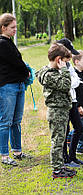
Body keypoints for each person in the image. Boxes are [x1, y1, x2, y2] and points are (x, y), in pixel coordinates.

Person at [36, 43, 76, 178]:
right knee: (57, 141)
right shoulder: (49, 75)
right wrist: (65, 70)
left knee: (61, 139)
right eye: (65, 62)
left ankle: (60, 165)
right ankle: (57, 170)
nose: (66, 65)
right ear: (59, 60)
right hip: (57, 111)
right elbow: (65, 85)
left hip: (61, 110)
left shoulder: (53, 73)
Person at [0, 13, 32, 166]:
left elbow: (18, 62)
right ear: (3, 27)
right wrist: (25, 70)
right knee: (5, 121)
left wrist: (25, 72)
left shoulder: (9, 41)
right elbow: (16, 62)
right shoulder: (2, 43)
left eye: (16, 27)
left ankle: (17, 151)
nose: (15, 30)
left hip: (18, 85)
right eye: (12, 27)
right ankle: (4, 155)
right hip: (8, 86)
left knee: (16, 121)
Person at [57, 38, 83, 167]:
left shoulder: (69, 65)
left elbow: (76, 81)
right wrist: (72, 81)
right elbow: (69, 83)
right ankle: (65, 159)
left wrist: (72, 81)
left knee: (79, 128)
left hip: (73, 100)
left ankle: (72, 156)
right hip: (64, 102)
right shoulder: (57, 65)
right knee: (65, 129)